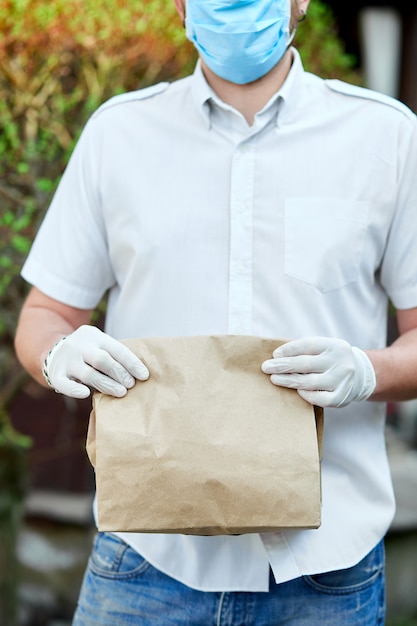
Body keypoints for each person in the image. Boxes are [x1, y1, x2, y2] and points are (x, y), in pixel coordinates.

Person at [14, 0, 417, 623]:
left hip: (327, 572)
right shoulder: (118, 134)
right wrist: (56, 352)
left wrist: (368, 371)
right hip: (144, 565)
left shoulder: (384, 136)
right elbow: (45, 312)